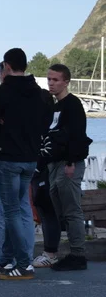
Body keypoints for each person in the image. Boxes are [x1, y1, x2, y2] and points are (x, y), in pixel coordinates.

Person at [0, 48, 51, 280]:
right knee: (19, 210)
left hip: (8, 158)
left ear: (7, 66)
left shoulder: (2, 93)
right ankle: (4, 262)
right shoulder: (40, 94)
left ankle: (22, 264)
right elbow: (45, 123)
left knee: (9, 212)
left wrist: (3, 126)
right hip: (30, 159)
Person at [40, 63, 92, 271]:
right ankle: (72, 252)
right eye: (49, 79)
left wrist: (71, 162)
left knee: (72, 211)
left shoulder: (72, 105)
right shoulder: (55, 107)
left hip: (68, 164)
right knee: (62, 211)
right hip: (54, 164)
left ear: (66, 82)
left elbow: (77, 135)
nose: (51, 83)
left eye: (55, 80)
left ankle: (78, 255)